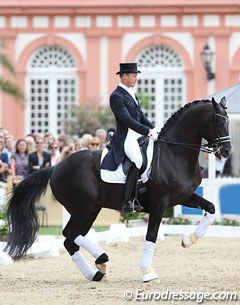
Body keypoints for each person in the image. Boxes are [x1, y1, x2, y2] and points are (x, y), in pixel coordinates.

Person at [101, 62, 158, 213]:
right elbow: (127, 120)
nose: (135, 79)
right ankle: (128, 201)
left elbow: (141, 116)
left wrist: (153, 128)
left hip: (138, 133)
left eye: (136, 76)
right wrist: (146, 131)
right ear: (124, 76)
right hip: (126, 135)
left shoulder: (133, 94)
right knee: (137, 160)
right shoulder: (116, 96)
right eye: (133, 76)